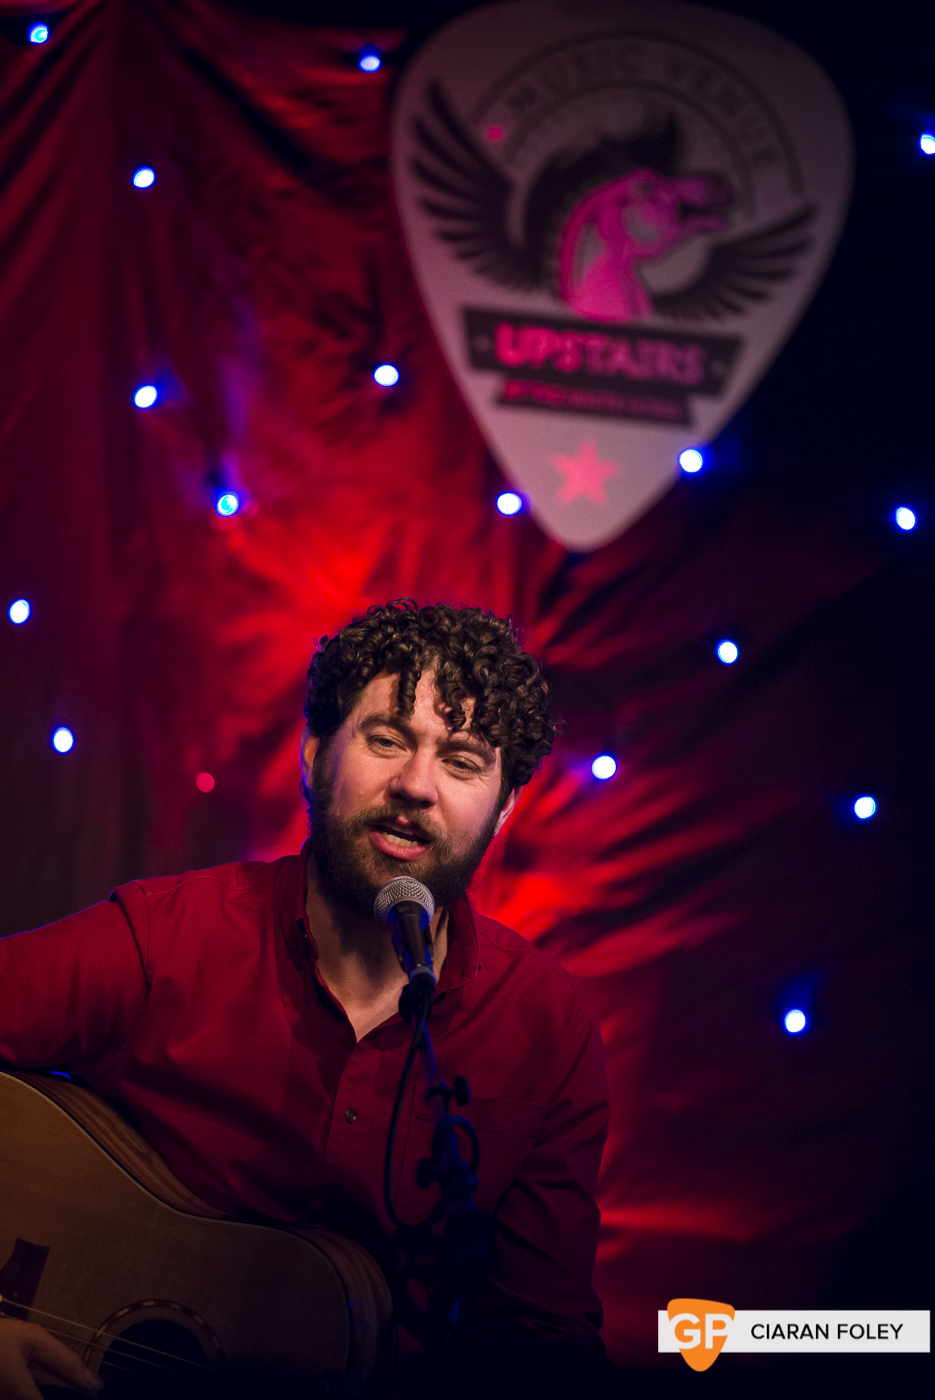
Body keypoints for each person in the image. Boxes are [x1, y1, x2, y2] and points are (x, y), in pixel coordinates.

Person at [0, 601, 609, 1399]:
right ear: (314, 752)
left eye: (462, 762)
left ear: (503, 810)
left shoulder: (548, 1030)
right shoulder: (166, 938)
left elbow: (541, 1339)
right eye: (387, 739)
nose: (416, 786)